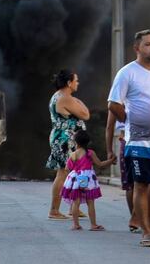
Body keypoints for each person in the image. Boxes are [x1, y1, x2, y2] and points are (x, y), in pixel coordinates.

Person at [108, 29, 150, 247]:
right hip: (139, 142)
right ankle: (146, 232)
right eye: (148, 44)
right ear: (137, 48)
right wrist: (129, 121)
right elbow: (113, 104)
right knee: (142, 185)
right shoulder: (127, 73)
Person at [46, 69, 90, 220]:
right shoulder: (65, 98)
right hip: (66, 139)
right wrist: (79, 102)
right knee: (63, 172)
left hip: (62, 137)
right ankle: (54, 210)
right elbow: (85, 114)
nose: (78, 83)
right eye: (75, 80)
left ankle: (73, 207)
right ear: (69, 83)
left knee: (72, 171)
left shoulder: (58, 96)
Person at [61, 130, 116, 230]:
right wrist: (111, 161)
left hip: (77, 179)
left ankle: (75, 224)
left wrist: (73, 173)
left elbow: (67, 168)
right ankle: (93, 224)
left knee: (75, 202)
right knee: (90, 202)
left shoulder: (73, 154)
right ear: (87, 142)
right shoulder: (90, 153)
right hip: (87, 179)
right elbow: (100, 164)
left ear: (76, 142)